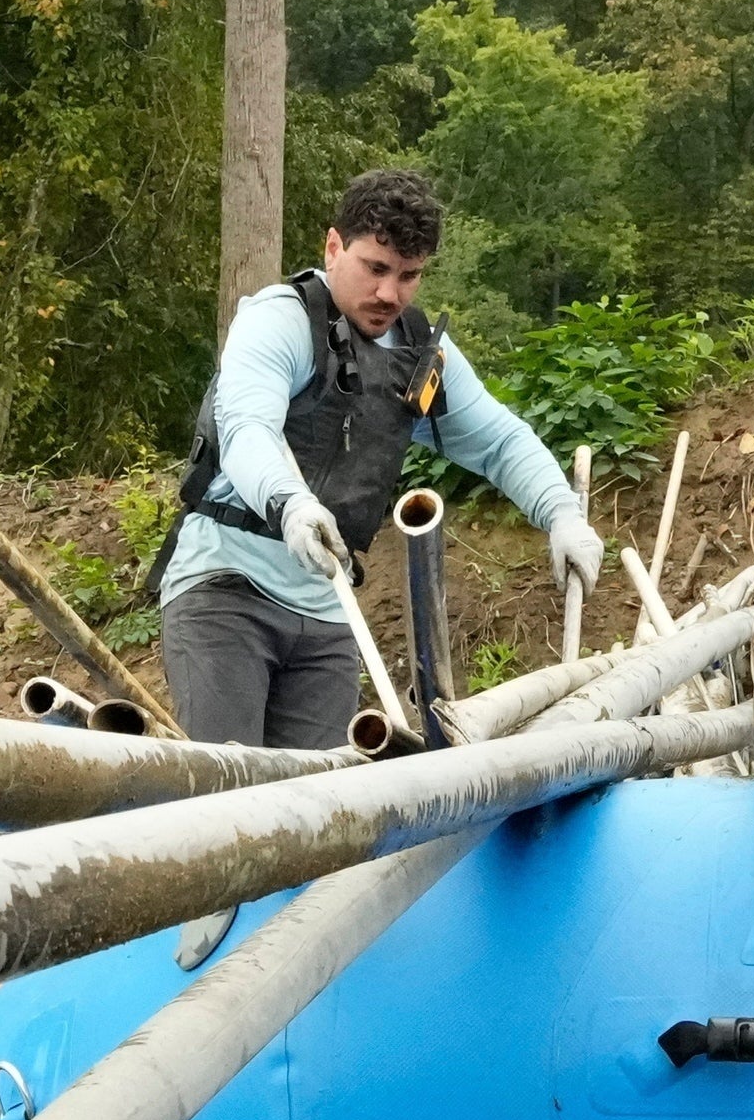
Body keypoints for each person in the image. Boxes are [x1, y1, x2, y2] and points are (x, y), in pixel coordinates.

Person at [157, 165, 611, 749]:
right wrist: (291, 503)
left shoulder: (420, 353)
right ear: (333, 247)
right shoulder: (279, 320)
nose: (390, 294)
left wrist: (562, 513)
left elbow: (500, 441)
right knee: (228, 786)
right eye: (375, 268)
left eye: (409, 275)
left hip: (327, 609)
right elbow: (247, 427)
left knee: (321, 798)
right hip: (226, 590)